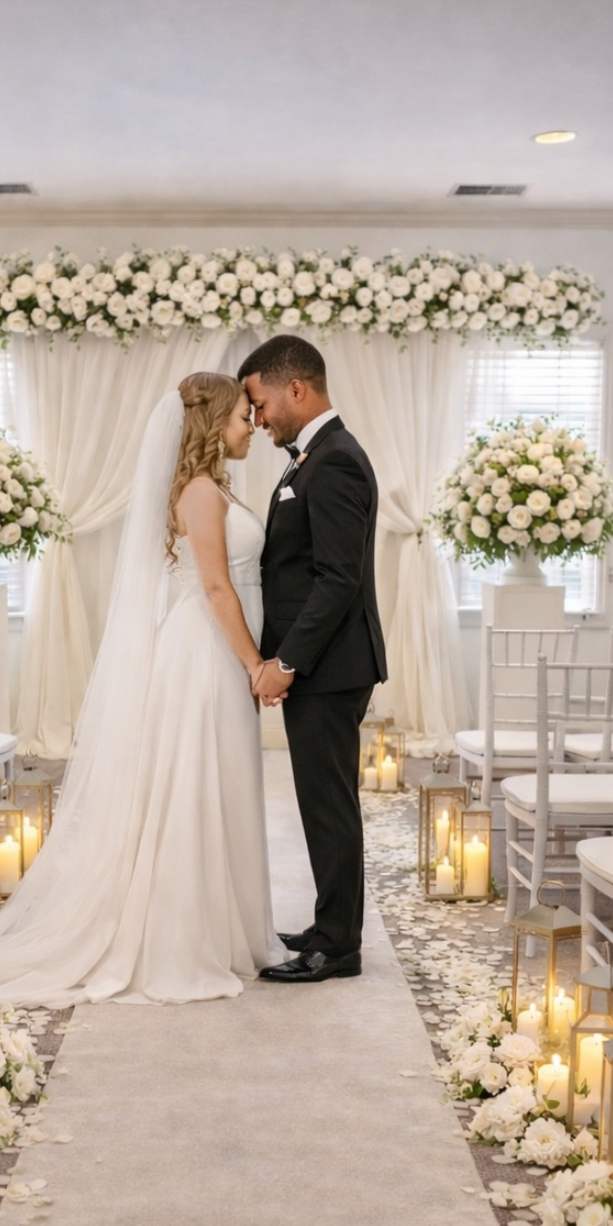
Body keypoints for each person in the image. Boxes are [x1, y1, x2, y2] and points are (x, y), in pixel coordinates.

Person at [0, 374, 282, 1007]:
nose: (251, 426)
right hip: (205, 653)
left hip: (212, 651)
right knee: (193, 787)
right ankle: (184, 937)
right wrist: (255, 665)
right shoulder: (200, 492)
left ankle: (227, 930)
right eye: (244, 415)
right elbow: (217, 589)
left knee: (220, 782)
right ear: (214, 422)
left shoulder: (212, 487)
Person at [240, 336, 387, 984]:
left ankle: (338, 945)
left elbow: (337, 579)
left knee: (328, 806)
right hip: (325, 666)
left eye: (260, 401)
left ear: (294, 388)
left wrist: (287, 661)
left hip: (331, 668)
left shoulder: (335, 463)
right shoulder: (314, 457)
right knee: (321, 802)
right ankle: (331, 923)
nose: (258, 417)